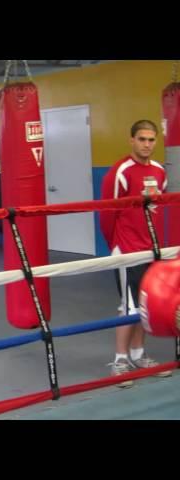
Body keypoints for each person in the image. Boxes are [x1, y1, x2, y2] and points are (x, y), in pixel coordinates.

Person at [100, 119, 172, 388]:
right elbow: (108, 214)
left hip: (149, 247)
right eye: (142, 139)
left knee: (146, 304)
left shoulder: (159, 171)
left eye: (151, 139)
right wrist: (115, 248)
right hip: (126, 248)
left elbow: (155, 209)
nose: (147, 144)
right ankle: (120, 360)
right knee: (128, 306)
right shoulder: (120, 172)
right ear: (132, 140)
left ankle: (139, 355)